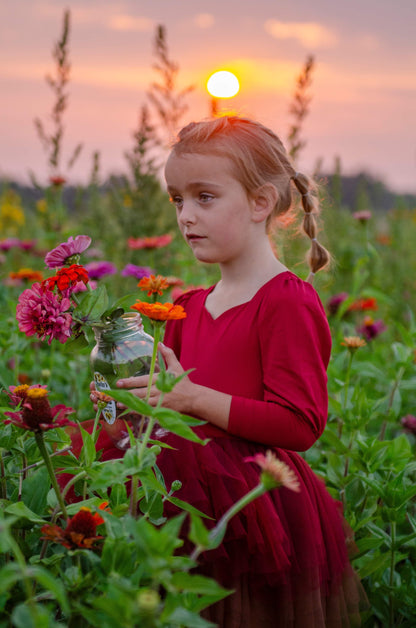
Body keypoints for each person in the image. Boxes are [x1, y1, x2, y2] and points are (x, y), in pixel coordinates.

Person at [92, 116, 365, 626]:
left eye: (205, 197)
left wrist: (194, 399)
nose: (186, 215)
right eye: (178, 200)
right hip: (181, 498)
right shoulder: (186, 306)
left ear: (261, 203)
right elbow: (166, 403)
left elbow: (300, 424)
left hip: (254, 514)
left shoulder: (285, 300)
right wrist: (127, 404)